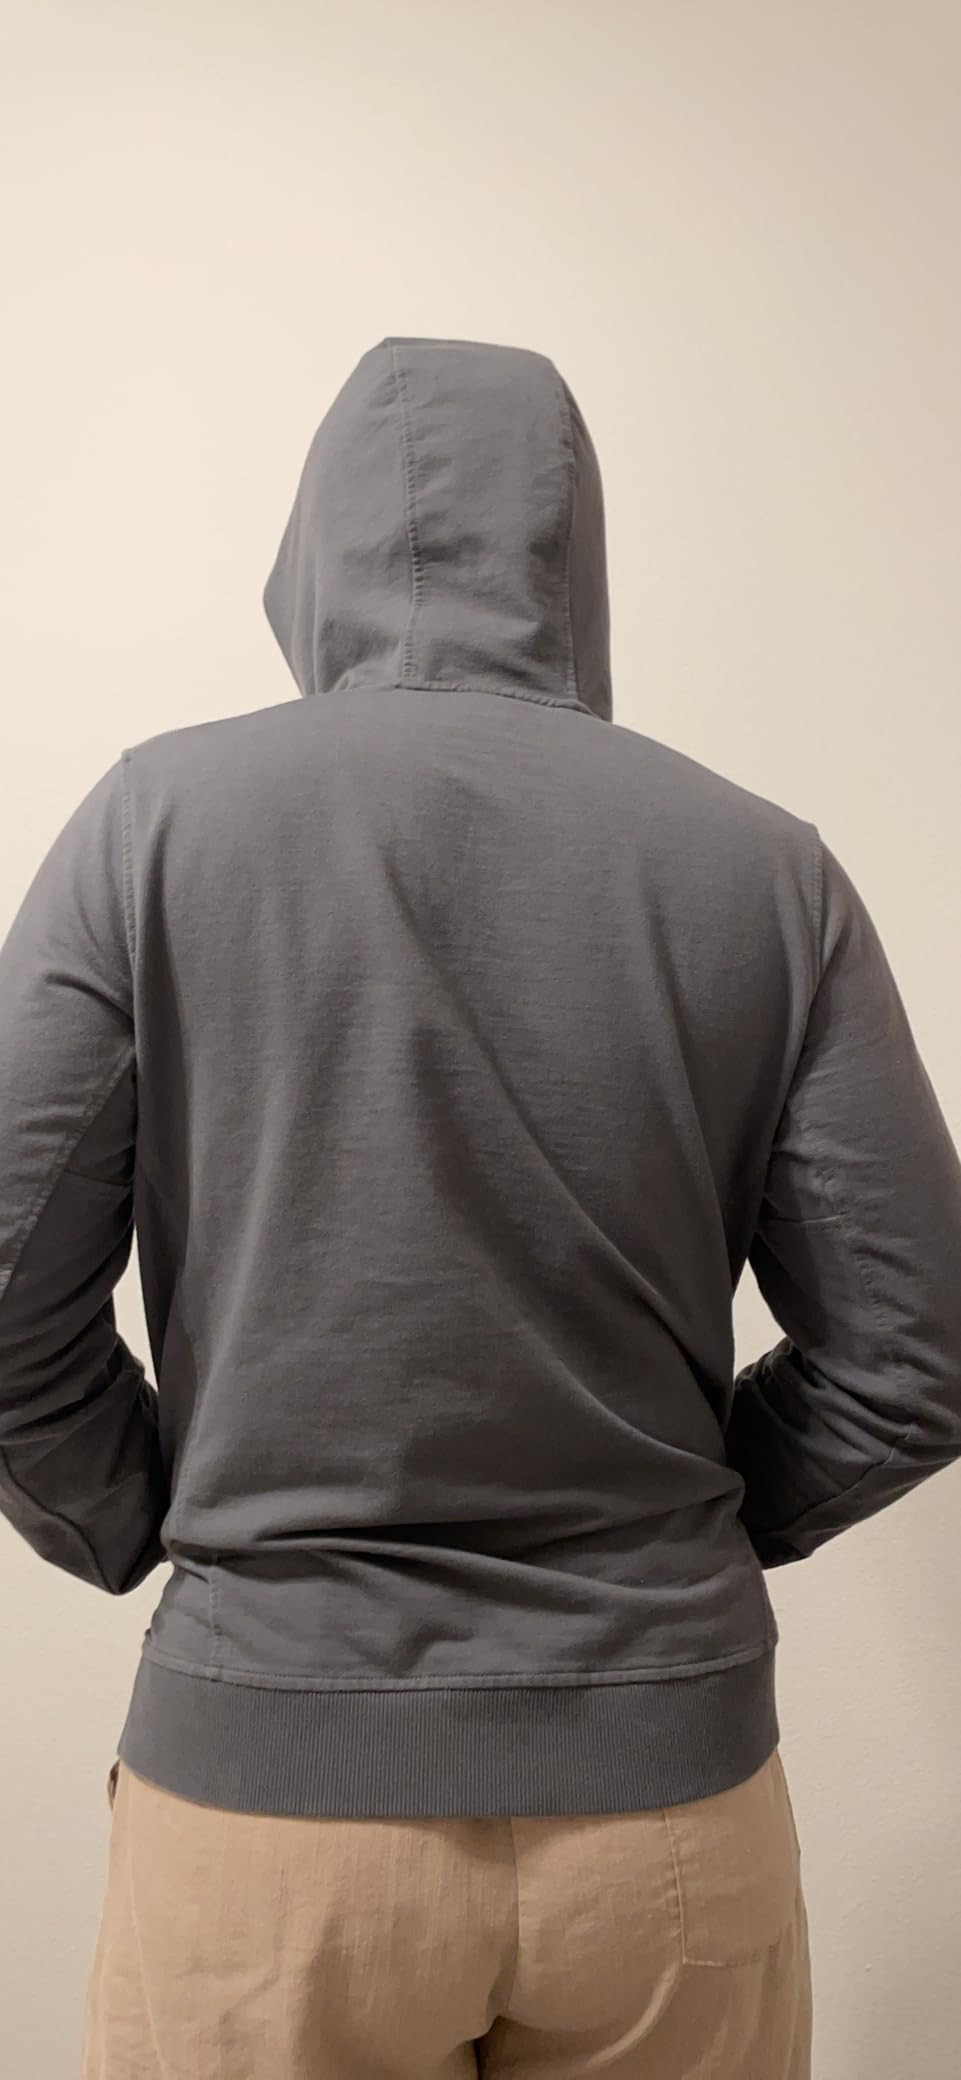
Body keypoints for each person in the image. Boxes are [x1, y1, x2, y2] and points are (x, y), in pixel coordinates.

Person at [1, 336, 959, 2080]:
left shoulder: (155, 822)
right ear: (573, 559)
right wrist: (679, 1538)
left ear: (308, 551)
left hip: (266, 1807)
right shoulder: (761, 864)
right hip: (666, 1811)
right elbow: (923, 1346)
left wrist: (143, 1513)